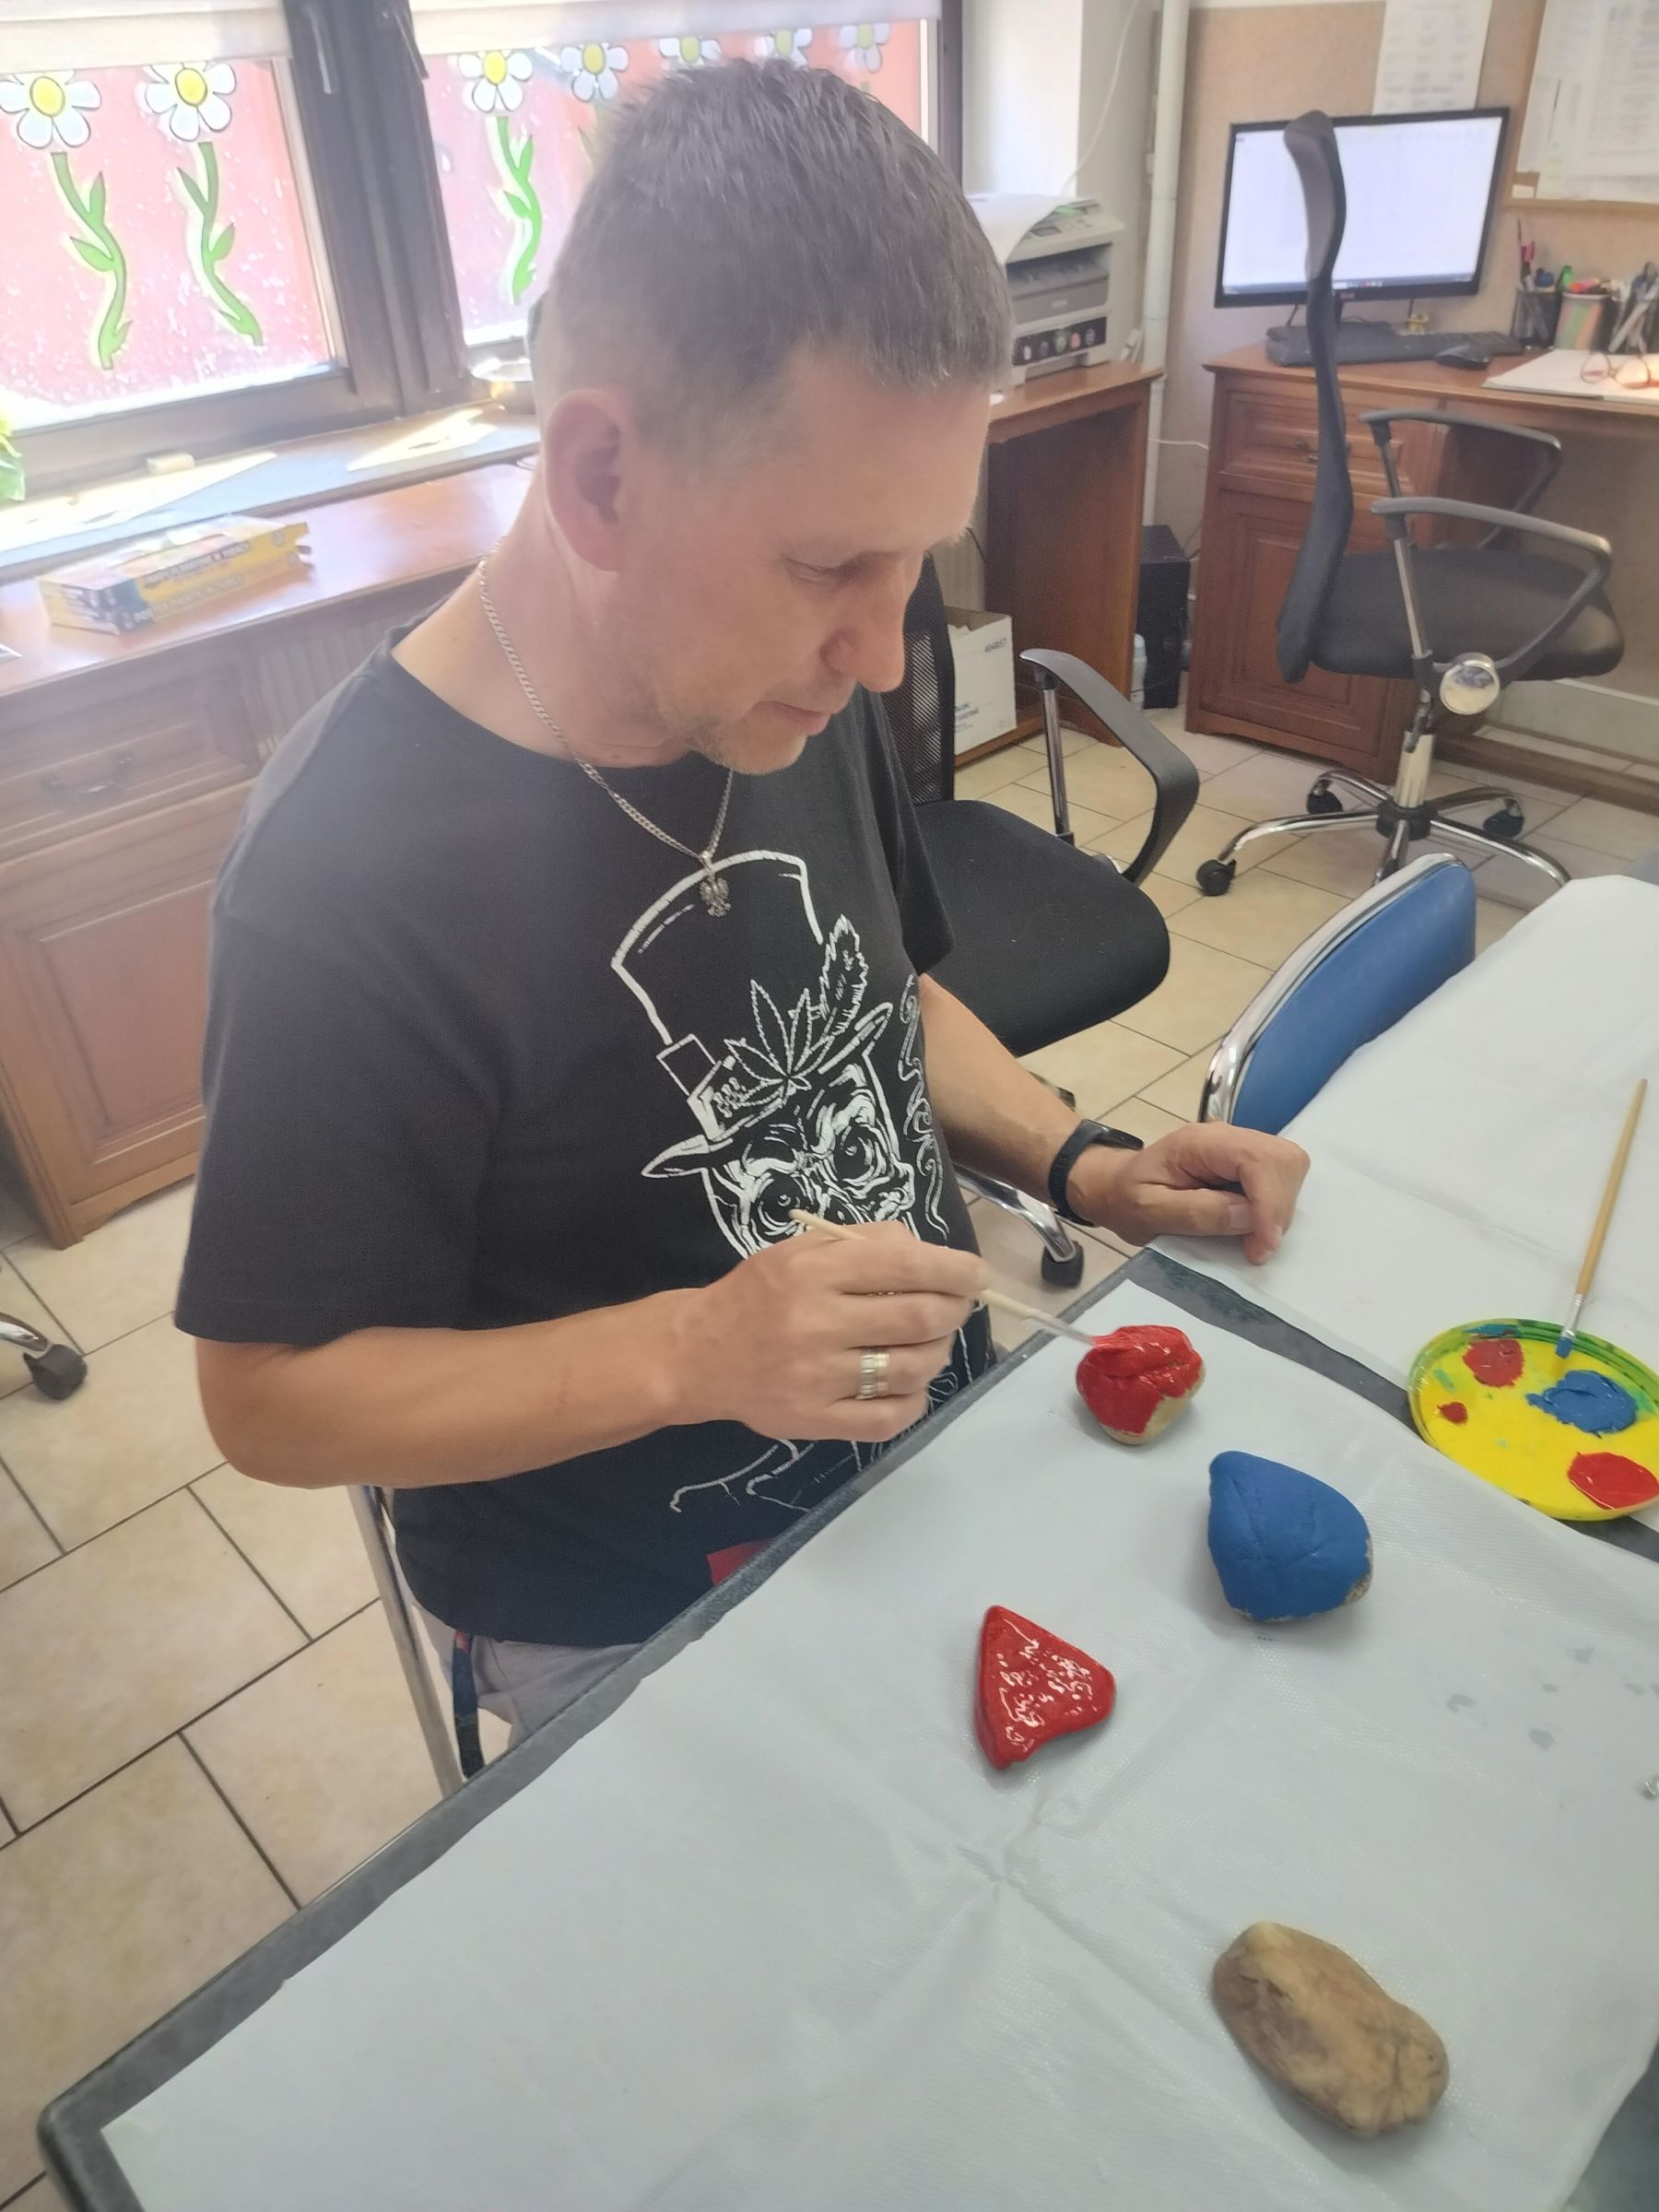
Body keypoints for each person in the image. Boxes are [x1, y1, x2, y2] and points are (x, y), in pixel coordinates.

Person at [179, 60, 1307, 1747]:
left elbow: (881, 993)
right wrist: (697, 1352)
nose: (882, 652)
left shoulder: (786, 682)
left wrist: (1081, 1160)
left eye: (915, 559)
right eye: (827, 563)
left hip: (920, 1443)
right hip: (629, 1602)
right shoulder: (346, 880)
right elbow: (269, 1397)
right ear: (601, 477)